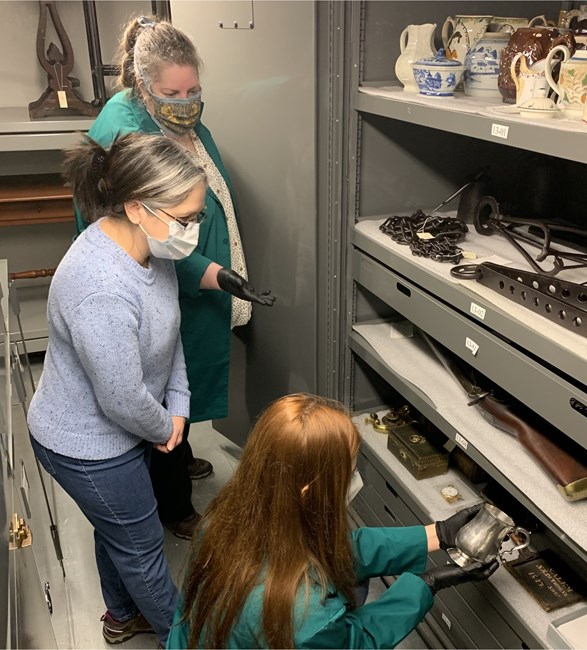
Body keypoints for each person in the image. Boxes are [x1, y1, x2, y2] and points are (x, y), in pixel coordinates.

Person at [75, 15, 275, 540]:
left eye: (194, 90)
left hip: (188, 280)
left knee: (179, 380)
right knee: (157, 392)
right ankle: (175, 507)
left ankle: (179, 455)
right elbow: (137, 236)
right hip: (164, 280)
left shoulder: (178, 117)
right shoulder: (123, 131)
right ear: (142, 86)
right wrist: (212, 273)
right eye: (172, 92)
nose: (186, 101)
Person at [28, 132, 213, 645]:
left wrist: (179, 408)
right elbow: (122, 398)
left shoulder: (149, 248)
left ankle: (120, 614)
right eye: (186, 218)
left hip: (131, 426)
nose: (191, 231)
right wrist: (164, 426)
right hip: (85, 444)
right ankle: (187, 640)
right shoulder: (99, 287)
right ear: (137, 207)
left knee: (119, 530)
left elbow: (170, 331)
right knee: (141, 545)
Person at [167, 394, 498, 649]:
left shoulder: (225, 521)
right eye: (349, 473)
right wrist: (425, 585)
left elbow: (333, 550)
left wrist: (437, 534)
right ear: (310, 491)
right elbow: (360, 641)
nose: (354, 478)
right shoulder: (307, 619)